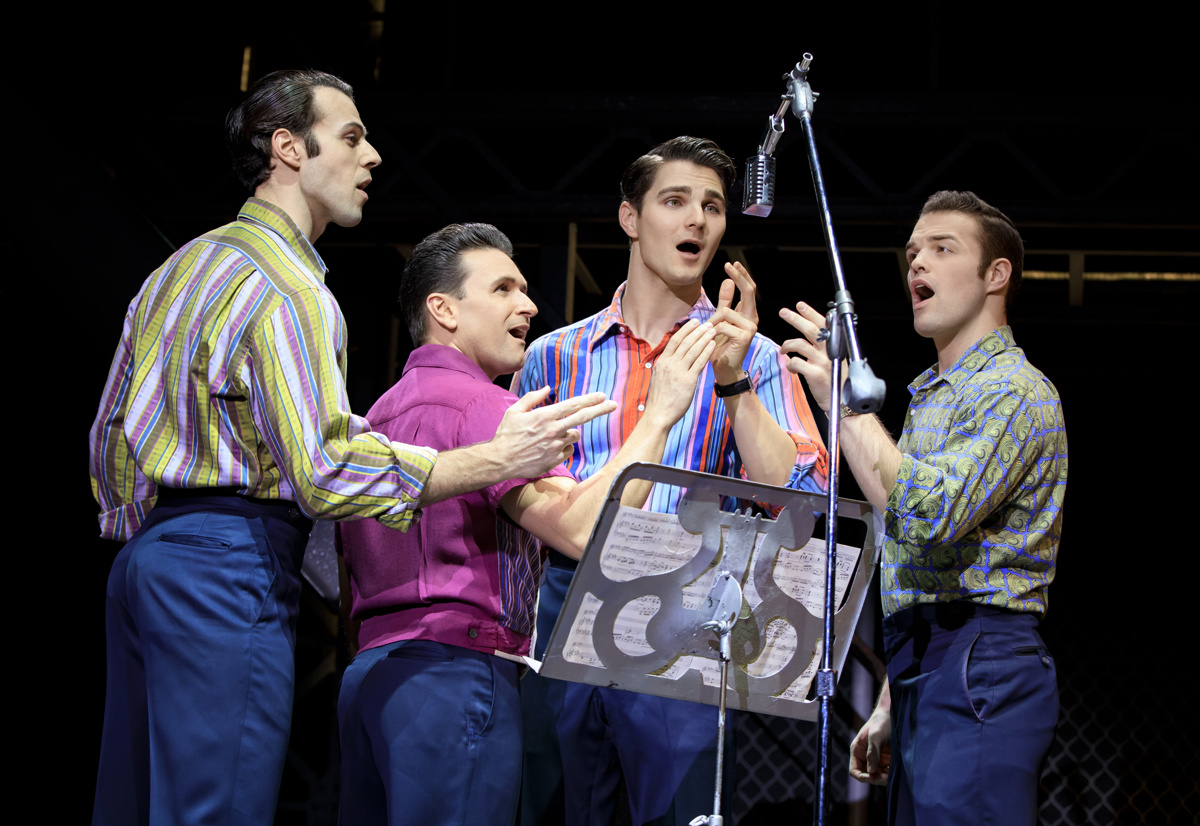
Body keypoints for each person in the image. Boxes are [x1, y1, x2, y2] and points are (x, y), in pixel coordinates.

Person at [88, 70, 612, 826]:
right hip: (231, 559)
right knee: (216, 810)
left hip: (146, 561)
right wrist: (493, 462)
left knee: (135, 810)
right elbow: (328, 471)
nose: (372, 159)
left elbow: (110, 434)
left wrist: (151, 538)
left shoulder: (177, 270)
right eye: (352, 137)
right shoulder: (293, 289)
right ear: (288, 149)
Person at [336, 222, 718, 826]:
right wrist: (660, 416)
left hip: (367, 682)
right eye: (503, 289)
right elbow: (586, 533)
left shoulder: (382, 410)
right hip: (452, 679)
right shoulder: (488, 406)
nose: (530, 303)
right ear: (444, 309)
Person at [514, 136, 829, 826]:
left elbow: (797, 500)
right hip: (565, 606)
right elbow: (521, 497)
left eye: (713, 207)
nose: (697, 221)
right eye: (676, 201)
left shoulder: (755, 355)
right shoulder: (554, 355)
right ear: (630, 217)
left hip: (686, 613)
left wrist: (734, 380)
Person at [780, 190, 1067, 825]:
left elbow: (929, 517)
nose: (918, 265)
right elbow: (918, 558)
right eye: (912, 253)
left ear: (996, 276)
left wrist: (845, 407)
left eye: (942, 249)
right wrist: (889, 700)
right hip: (926, 660)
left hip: (980, 659)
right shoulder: (933, 399)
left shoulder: (1012, 390)